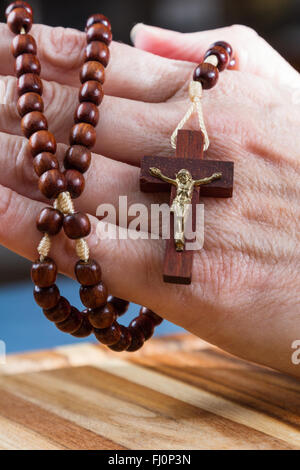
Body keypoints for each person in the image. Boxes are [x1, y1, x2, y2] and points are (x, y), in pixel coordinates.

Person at [0, 21, 299, 376]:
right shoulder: (167, 173)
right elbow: (159, 173)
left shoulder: (199, 176)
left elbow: (216, 175)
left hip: (181, 215)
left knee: (177, 240)